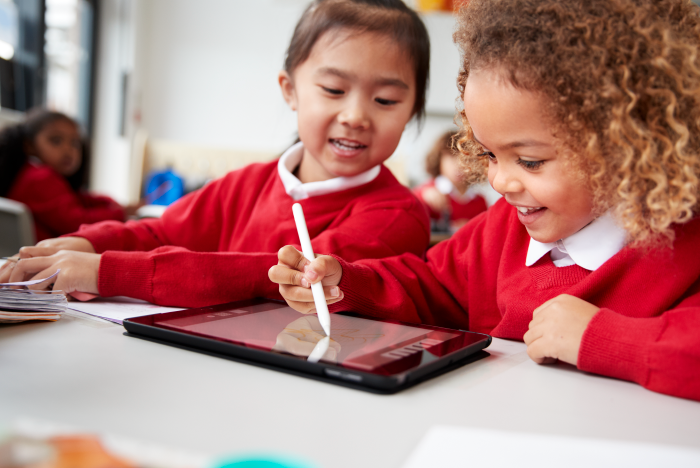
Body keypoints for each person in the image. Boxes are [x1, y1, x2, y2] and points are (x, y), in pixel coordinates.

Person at [269, 0, 700, 401]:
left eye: (530, 161)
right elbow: (431, 286)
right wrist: (346, 282)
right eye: (490, 154)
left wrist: (602, 339)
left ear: (627, 147)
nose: (499, 181)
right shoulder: (503, 228)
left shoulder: (682, 246)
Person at [0, 0, 431, 308]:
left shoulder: (396, 214)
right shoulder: (246, 183)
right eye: (334, 90)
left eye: (387, 100)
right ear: (290, 90)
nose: (355, 115)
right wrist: (87, 241)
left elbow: (273, 277)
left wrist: (105, 270)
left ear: (412, 110)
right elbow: (160, 231)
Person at [0, 110, 138, 241]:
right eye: (56, 140)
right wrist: (122, 213)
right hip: (46, 259)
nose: (68, 149)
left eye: (75, 143)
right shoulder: (40, 178)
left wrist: (107, 202)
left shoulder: (28, 173)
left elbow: (73, 201)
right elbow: (77, 223)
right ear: (29, 145)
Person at [413, 130, 494, 231]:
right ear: (439, 159)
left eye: (466, 159)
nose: (459, 165)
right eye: (452, 157)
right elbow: (411, 205)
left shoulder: (480, 202)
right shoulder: (428, 192)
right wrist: (424, 196)